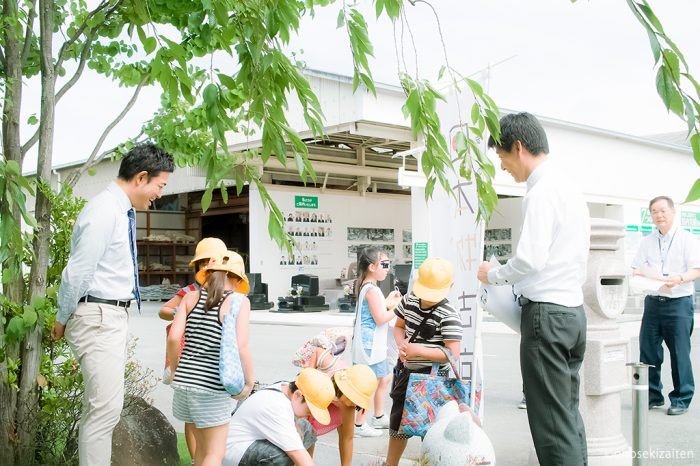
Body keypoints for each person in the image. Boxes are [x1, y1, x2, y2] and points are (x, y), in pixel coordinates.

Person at [50, 143, 174, 466]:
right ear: (141, 177)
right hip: (98, 315)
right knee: (103, 412)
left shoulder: (119, 211)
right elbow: (77, 273)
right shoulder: (105, 210)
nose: (159, 194)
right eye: (160, 186)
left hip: (108, 315)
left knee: (104, 411)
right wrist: (62, 319)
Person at [477, 112, 590, 466]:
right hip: (572, 314)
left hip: (547, 319)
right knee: (567, 418)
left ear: (519, 147)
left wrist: (492, 274)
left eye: (502, 157)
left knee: (551, 428)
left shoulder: (541, 192)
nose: (504, 167)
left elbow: (530, 260)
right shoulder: (569, 187)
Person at [167, 252, 255, 466]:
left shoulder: (190, 298)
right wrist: (249, 381)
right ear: (236, 278)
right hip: (211, 388)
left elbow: (173, 338)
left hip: (184, 385)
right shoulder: (238, 302)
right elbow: (242, 347)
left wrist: (176, 369)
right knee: (214, 454)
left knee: (202, 453)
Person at [385, 257, 463, 466]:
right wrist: (402, 345)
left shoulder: (448, 314)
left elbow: (452, 353)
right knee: (398, 424)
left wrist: (418, 349)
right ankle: (390, 463)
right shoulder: (409, 299)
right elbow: (399, 326)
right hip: (407, 373)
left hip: (434, 379)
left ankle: (428, 462)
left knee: (430, 428)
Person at [159, 237, 228, 462]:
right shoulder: (189, 293)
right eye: (203, 262)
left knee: (204, 431)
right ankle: (194, 456)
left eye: (211, 261)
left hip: (191, 372)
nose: (207, 266)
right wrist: (181, 313)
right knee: (201, 433)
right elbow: (163, 310)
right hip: (190, 360)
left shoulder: (230, 295)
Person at [632, 195, 700, 416]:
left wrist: (679, 279)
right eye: (654, 211)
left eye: (663, 211)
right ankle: (652, 396)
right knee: (648, 351)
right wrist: (640, 276)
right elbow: (637, 267)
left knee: (679, 353)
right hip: (653, 303)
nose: (658, 215)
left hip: (678, 304)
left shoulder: (687, 240)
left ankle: (681, 398)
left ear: (673, 212)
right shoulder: (646, 241)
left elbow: (697, 269)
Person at [224, 368, 335, 466]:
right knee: (281, 456)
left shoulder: (285, 387)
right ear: (297, 395)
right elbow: (297, 453)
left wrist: (296, 425)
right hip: (235, 451)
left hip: (255, 439)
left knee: (307, 428)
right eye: (310, 409)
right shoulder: (277, 408)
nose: (311, 414)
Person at [351, 246, 402, 437]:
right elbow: (381, 318)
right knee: (369, 385)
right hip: (369, 346)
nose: (387, 268)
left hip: (371, 345)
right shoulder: (371, 290)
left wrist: (389, 301)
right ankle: (359, 425)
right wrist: (397, 307)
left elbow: (377, 312)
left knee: (383, 378)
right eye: (384, 264)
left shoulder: (367, 286)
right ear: (372, 266)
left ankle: (378, 417)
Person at [307, 364, 379, 466]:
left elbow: (347, 438)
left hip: (340, 400)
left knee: (345, 431)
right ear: (344, 388)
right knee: (308, 433)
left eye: (358, 400)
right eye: (353, 398)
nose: (354, 404)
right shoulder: (322, 385)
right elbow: (307, 434)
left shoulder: (349, 402)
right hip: (318, 399)